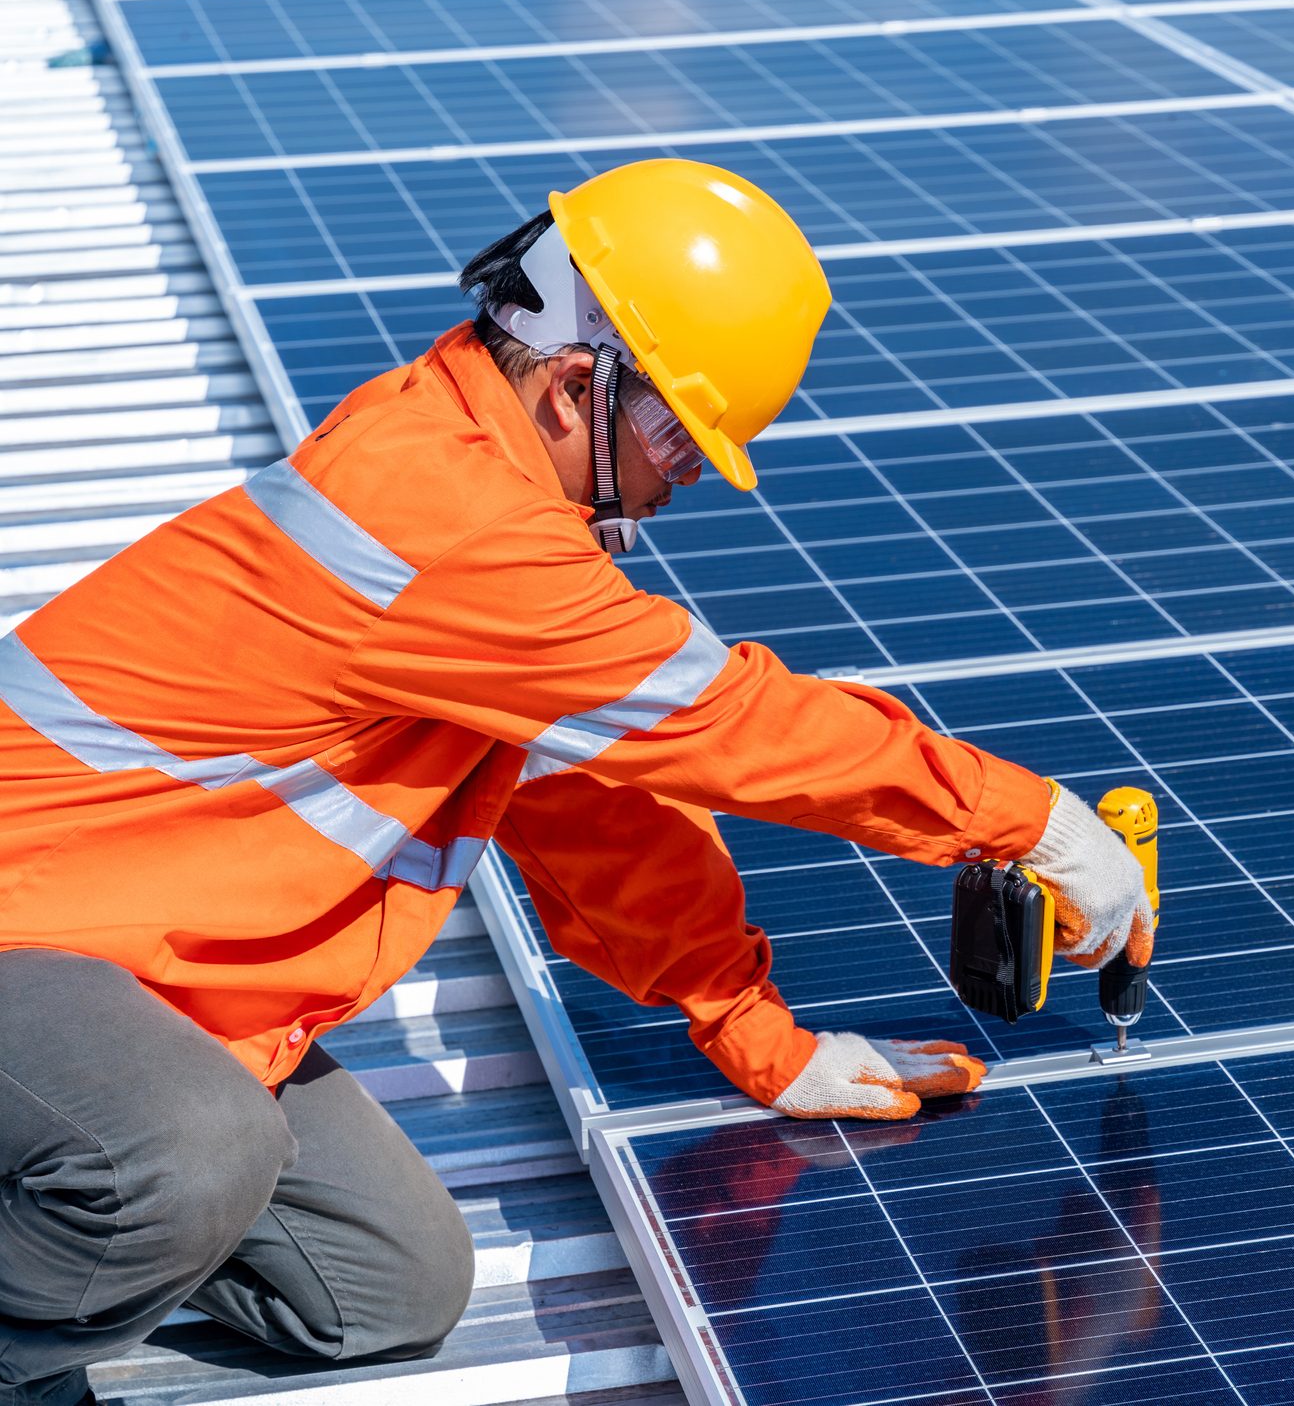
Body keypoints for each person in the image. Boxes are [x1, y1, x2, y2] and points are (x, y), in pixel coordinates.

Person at [0, 158, 1154, 1406]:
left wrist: (754, 1030)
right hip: (27, 929)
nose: (684, 479)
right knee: (185, 1154)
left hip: (148, 965)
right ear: (569, 384)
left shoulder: (483, 500)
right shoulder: (441, 514)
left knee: (386, 1287)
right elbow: (728, 724)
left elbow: (590, 797)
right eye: (677, 434)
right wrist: (1023, 818)